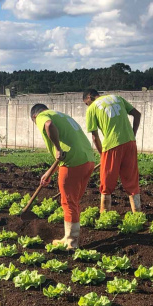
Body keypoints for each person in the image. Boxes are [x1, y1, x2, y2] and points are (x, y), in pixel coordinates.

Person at [30, 103, 96, 250]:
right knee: (74, 201)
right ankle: (69, 237)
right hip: (87, 160)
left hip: (72, 162)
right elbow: (64, 152)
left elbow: (48, 125)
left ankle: (71, 243)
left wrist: (58, 148)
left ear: (34, 116)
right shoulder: (62, 116)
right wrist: (49, 173)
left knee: (68, 202)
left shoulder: (42, 116)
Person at [82, 89, 142, 213]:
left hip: (111, 145)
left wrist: (102, 154)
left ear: (89, 97)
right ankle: (137, 213)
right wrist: (132, 134)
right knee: (131, 179)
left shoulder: (92, 108)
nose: (87, 106)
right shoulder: (117, 98)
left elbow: (95, 137)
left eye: (86, 103)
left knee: (106, 181)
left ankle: (105, 214)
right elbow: (137, 114)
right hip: (130, 143)